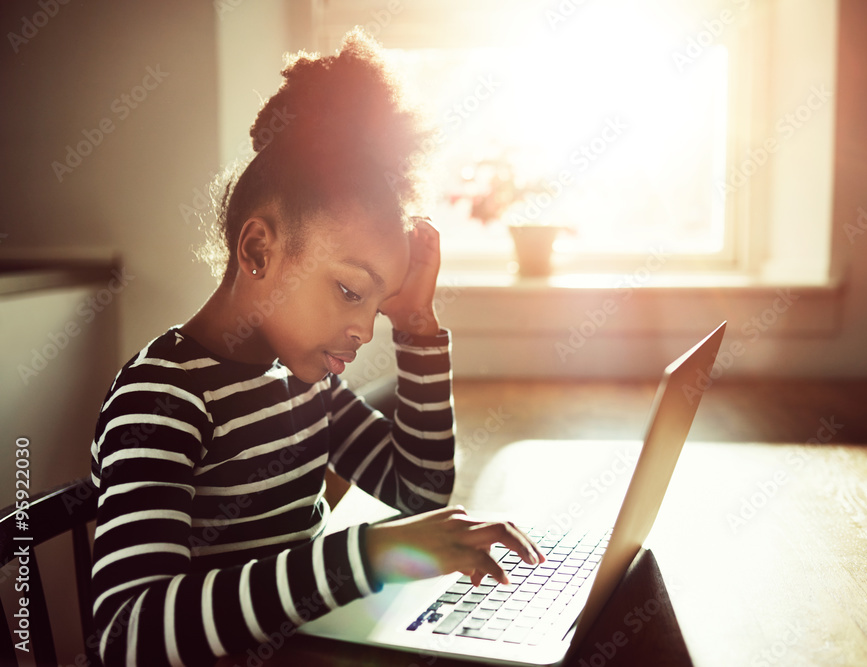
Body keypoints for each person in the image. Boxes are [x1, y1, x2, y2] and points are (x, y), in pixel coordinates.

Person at [89, 29, 543, 667]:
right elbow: (129, 636)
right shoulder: (163, 399)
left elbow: (418, 490)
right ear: (258, 251)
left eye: (378, 303)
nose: (365, 329)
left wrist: (416, 328)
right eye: (351, 291)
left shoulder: (304, 384)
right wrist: (371, 554)